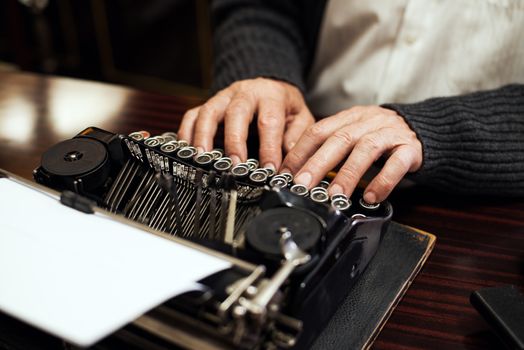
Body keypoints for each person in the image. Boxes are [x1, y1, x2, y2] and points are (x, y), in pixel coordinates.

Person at [178, 0, 524, 203]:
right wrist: (264, 70)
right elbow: (262, 6)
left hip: (470, 204)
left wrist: (441, 130)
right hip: (295, 148)